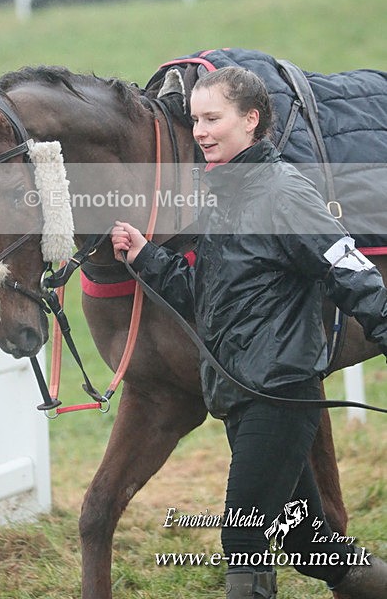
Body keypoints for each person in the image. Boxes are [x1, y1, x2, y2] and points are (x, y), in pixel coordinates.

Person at [111, 66, 387, 599]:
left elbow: (347, 267)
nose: (201, 131)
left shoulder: (283, 192)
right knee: (311, 543)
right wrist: (146, 258)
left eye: (213, 118)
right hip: (240, 395)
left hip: (281, 392)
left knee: (244, 540)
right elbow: (204, 295)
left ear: (251, 120)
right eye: (195, 120)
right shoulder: (222, 194)